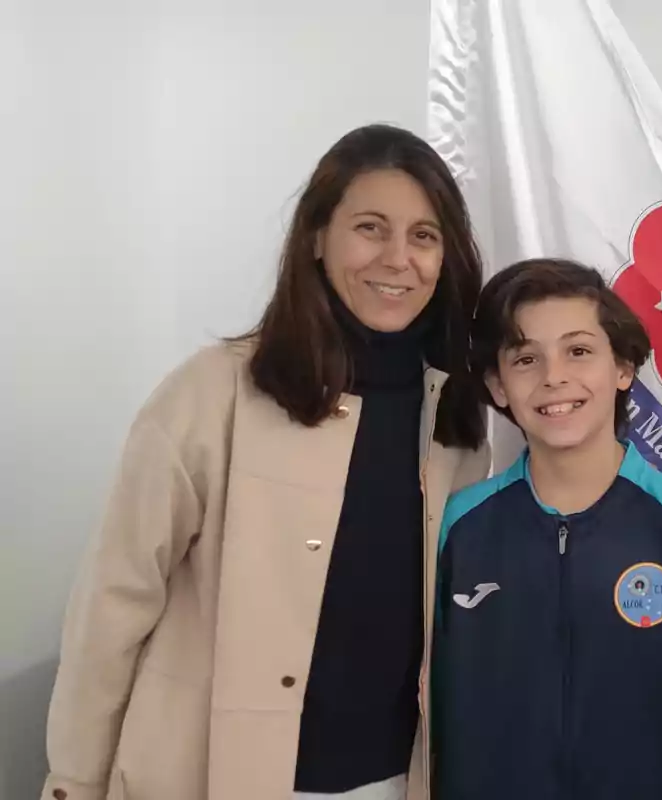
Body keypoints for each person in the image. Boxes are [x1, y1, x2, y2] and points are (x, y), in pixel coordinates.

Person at [41, 124, 490, 800]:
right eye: (371, 227)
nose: (398, 258)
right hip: (209, 773)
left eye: (424, 237)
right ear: (316, 238)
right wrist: (73, 783)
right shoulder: (212, 392)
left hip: (395, 780)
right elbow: (112, 607)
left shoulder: (455, 420)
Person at [430, 258, 662, 799]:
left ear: (622, 367)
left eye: (578, 351)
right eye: (526, 358)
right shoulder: (458, 524)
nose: (554, 376)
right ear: (497, 386)